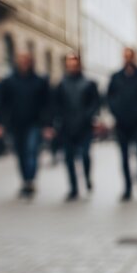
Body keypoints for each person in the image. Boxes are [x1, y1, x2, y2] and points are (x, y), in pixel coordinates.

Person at [0, 52, 50, 198]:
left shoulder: (40, 81)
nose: (24, 64)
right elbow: (2, 104)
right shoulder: (9, 81)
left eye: (27, 61)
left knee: (31, 151)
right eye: (21, 61)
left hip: (34, 123)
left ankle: (30, 181)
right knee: (20, 154)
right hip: (15, 124)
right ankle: (25, 180)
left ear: (31, 63)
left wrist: (48, 125)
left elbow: (47, 105)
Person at [107, 48, 137, 201]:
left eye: (130, 56)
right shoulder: (116, 77)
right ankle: (127, 187)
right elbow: (109, 97)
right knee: (124, 157)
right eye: (126, 56)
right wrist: (117, 112)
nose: (128, 59)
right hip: (122, 123)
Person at [52, 53, 100, 201]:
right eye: (69, 64)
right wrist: (57, 121)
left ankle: (87, 177)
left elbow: (95, 103)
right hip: (67, 127)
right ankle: (73, 188)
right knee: (69, 158)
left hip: (84, 126)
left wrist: (88, 116)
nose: (72, 67)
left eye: (74, 64)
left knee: (85, 155)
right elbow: (56, 104)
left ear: (79, 65)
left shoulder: (89, 83)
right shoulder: (61, 84)